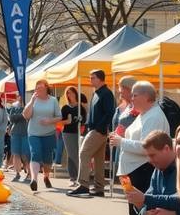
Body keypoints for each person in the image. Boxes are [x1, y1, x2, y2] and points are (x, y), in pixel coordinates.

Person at [108, 81, 169, 215]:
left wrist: (121, 141)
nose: (132, 98)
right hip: (132, 171)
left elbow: (147, 147)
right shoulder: (145, 114)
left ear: (147, 97)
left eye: (135, 95)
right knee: (134, 213)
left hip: (142, 170)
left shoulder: (154, 116)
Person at [68, 69, 116, 197]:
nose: (90, 80)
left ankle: (83, 184)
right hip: (95, 130)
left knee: (84, 153)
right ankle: (99, 188)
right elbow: (93, 113)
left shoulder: (106, 93)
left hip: (98, 131)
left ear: (100, 79)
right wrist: (88, 126)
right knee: (98, 159)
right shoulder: (96, 93)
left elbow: (109, 113)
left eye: (92, 77)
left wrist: (99, 128)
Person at [23, 79, 60, 191]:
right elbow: (26, 115)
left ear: (46, 88)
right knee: (35, 153)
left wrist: (49, 121)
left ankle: (46, 176)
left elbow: (59, 116)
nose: (38, 90)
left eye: (41, 88)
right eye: (37, 88)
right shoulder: (33, 100)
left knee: (47, 159)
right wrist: (32, 101)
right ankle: (34, 179)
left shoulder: (53, 100)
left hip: (49, 133)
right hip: (34, 133)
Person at [60, 86, 83, 186]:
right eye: (68, 93)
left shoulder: (80, 107)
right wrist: (67, 121)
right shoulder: (65, 108)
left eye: (72, 92)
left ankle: (78, 177)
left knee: (78, 154)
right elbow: (60, 122)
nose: (70, 94)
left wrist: (81, 119)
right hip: (67, 133)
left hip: (78, 133)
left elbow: (85, 120)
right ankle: (74, 177)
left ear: (75, 93)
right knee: (71, 154)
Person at [7, 99, 31, 182]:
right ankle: (17, 173)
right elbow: (11, 118)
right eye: (19, 95)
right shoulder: (14, 106)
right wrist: (22, 115)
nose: (21, 97)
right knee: (16, 153)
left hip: (26, 132)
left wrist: (19, 116)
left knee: (26, 154)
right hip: (15, 133)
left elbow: (28, 116)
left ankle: (29, 173)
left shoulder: (30, 104)